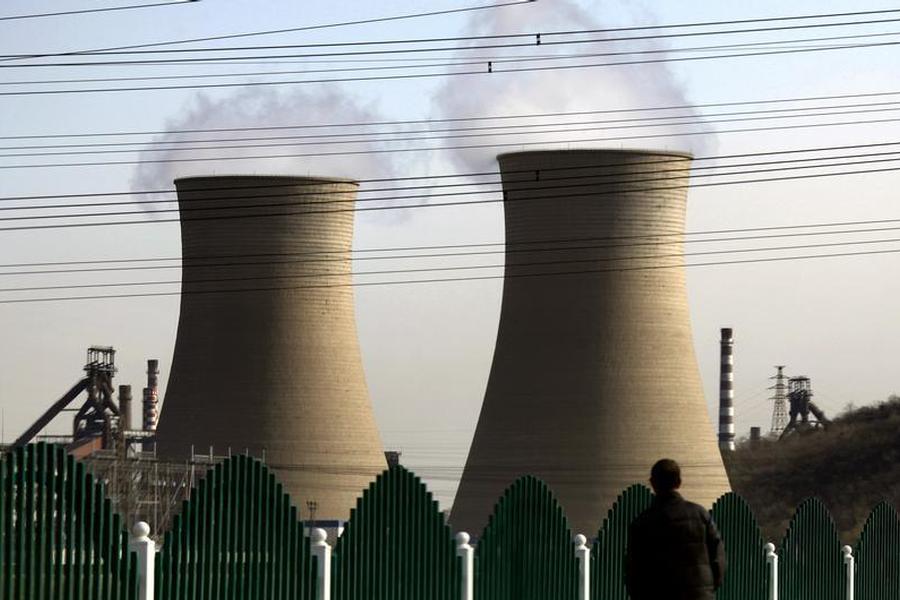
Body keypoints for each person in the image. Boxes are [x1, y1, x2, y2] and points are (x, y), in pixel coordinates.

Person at [625, 459, 726, 600]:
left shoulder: (642, 523)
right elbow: (718, 558)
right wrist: (707, 589)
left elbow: (634, 571)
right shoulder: (701, 515)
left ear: (652, 483)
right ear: (679, 482)